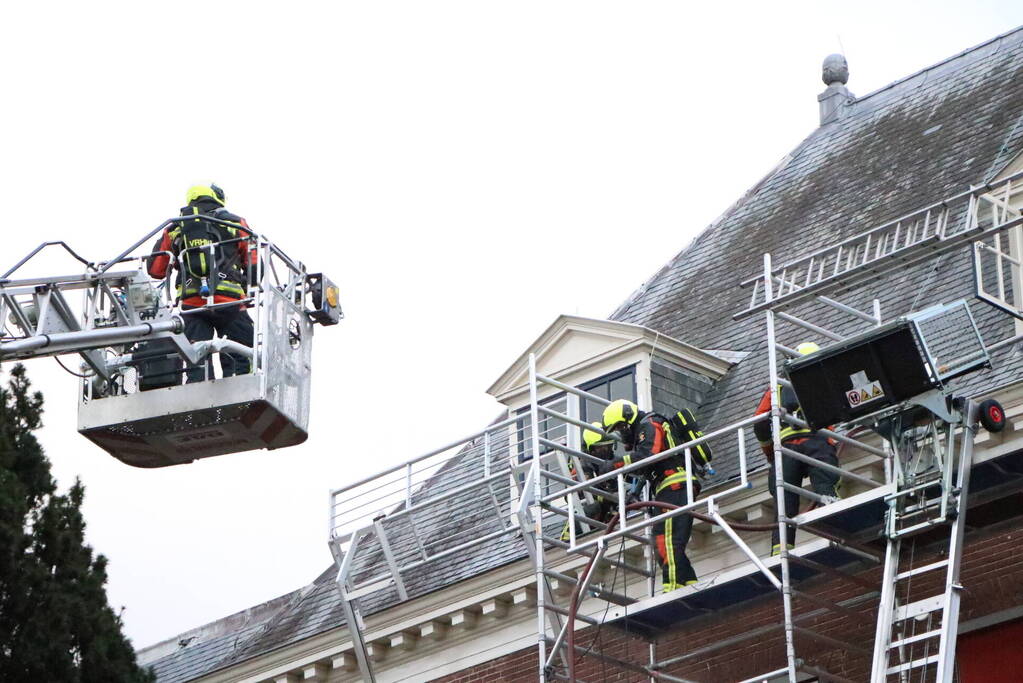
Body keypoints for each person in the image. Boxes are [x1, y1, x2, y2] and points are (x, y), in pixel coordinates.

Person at [147, 184, 256, 383]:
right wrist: (249, 288)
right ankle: (240, 389)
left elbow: (155, 269)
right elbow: (255, 264)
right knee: (242, 356)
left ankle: (199, 392)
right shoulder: (236, 223)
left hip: (192, 304)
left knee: (195, 360)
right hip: (230, 301)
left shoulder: (175, 228)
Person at [602, 399, 702, 592]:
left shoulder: (649, 424)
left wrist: (617, 464)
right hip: (668, 486)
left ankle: (673, 587)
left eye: (622, 428)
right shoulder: (645, 429)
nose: (622, 433)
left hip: (675, 483)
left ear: (630, 420)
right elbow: (645, 465)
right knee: (663, 537)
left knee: (667, 539)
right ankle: (688, 582)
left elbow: (649, 454)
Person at [753, 341, 840, 556]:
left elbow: (760, 423)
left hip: (786, 450)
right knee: (825, 489)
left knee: (784, 505)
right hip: (817, 442)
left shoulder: (778, 386)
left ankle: (781, 550)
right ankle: (837, 533)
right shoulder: (823, 378)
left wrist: (770, 454)